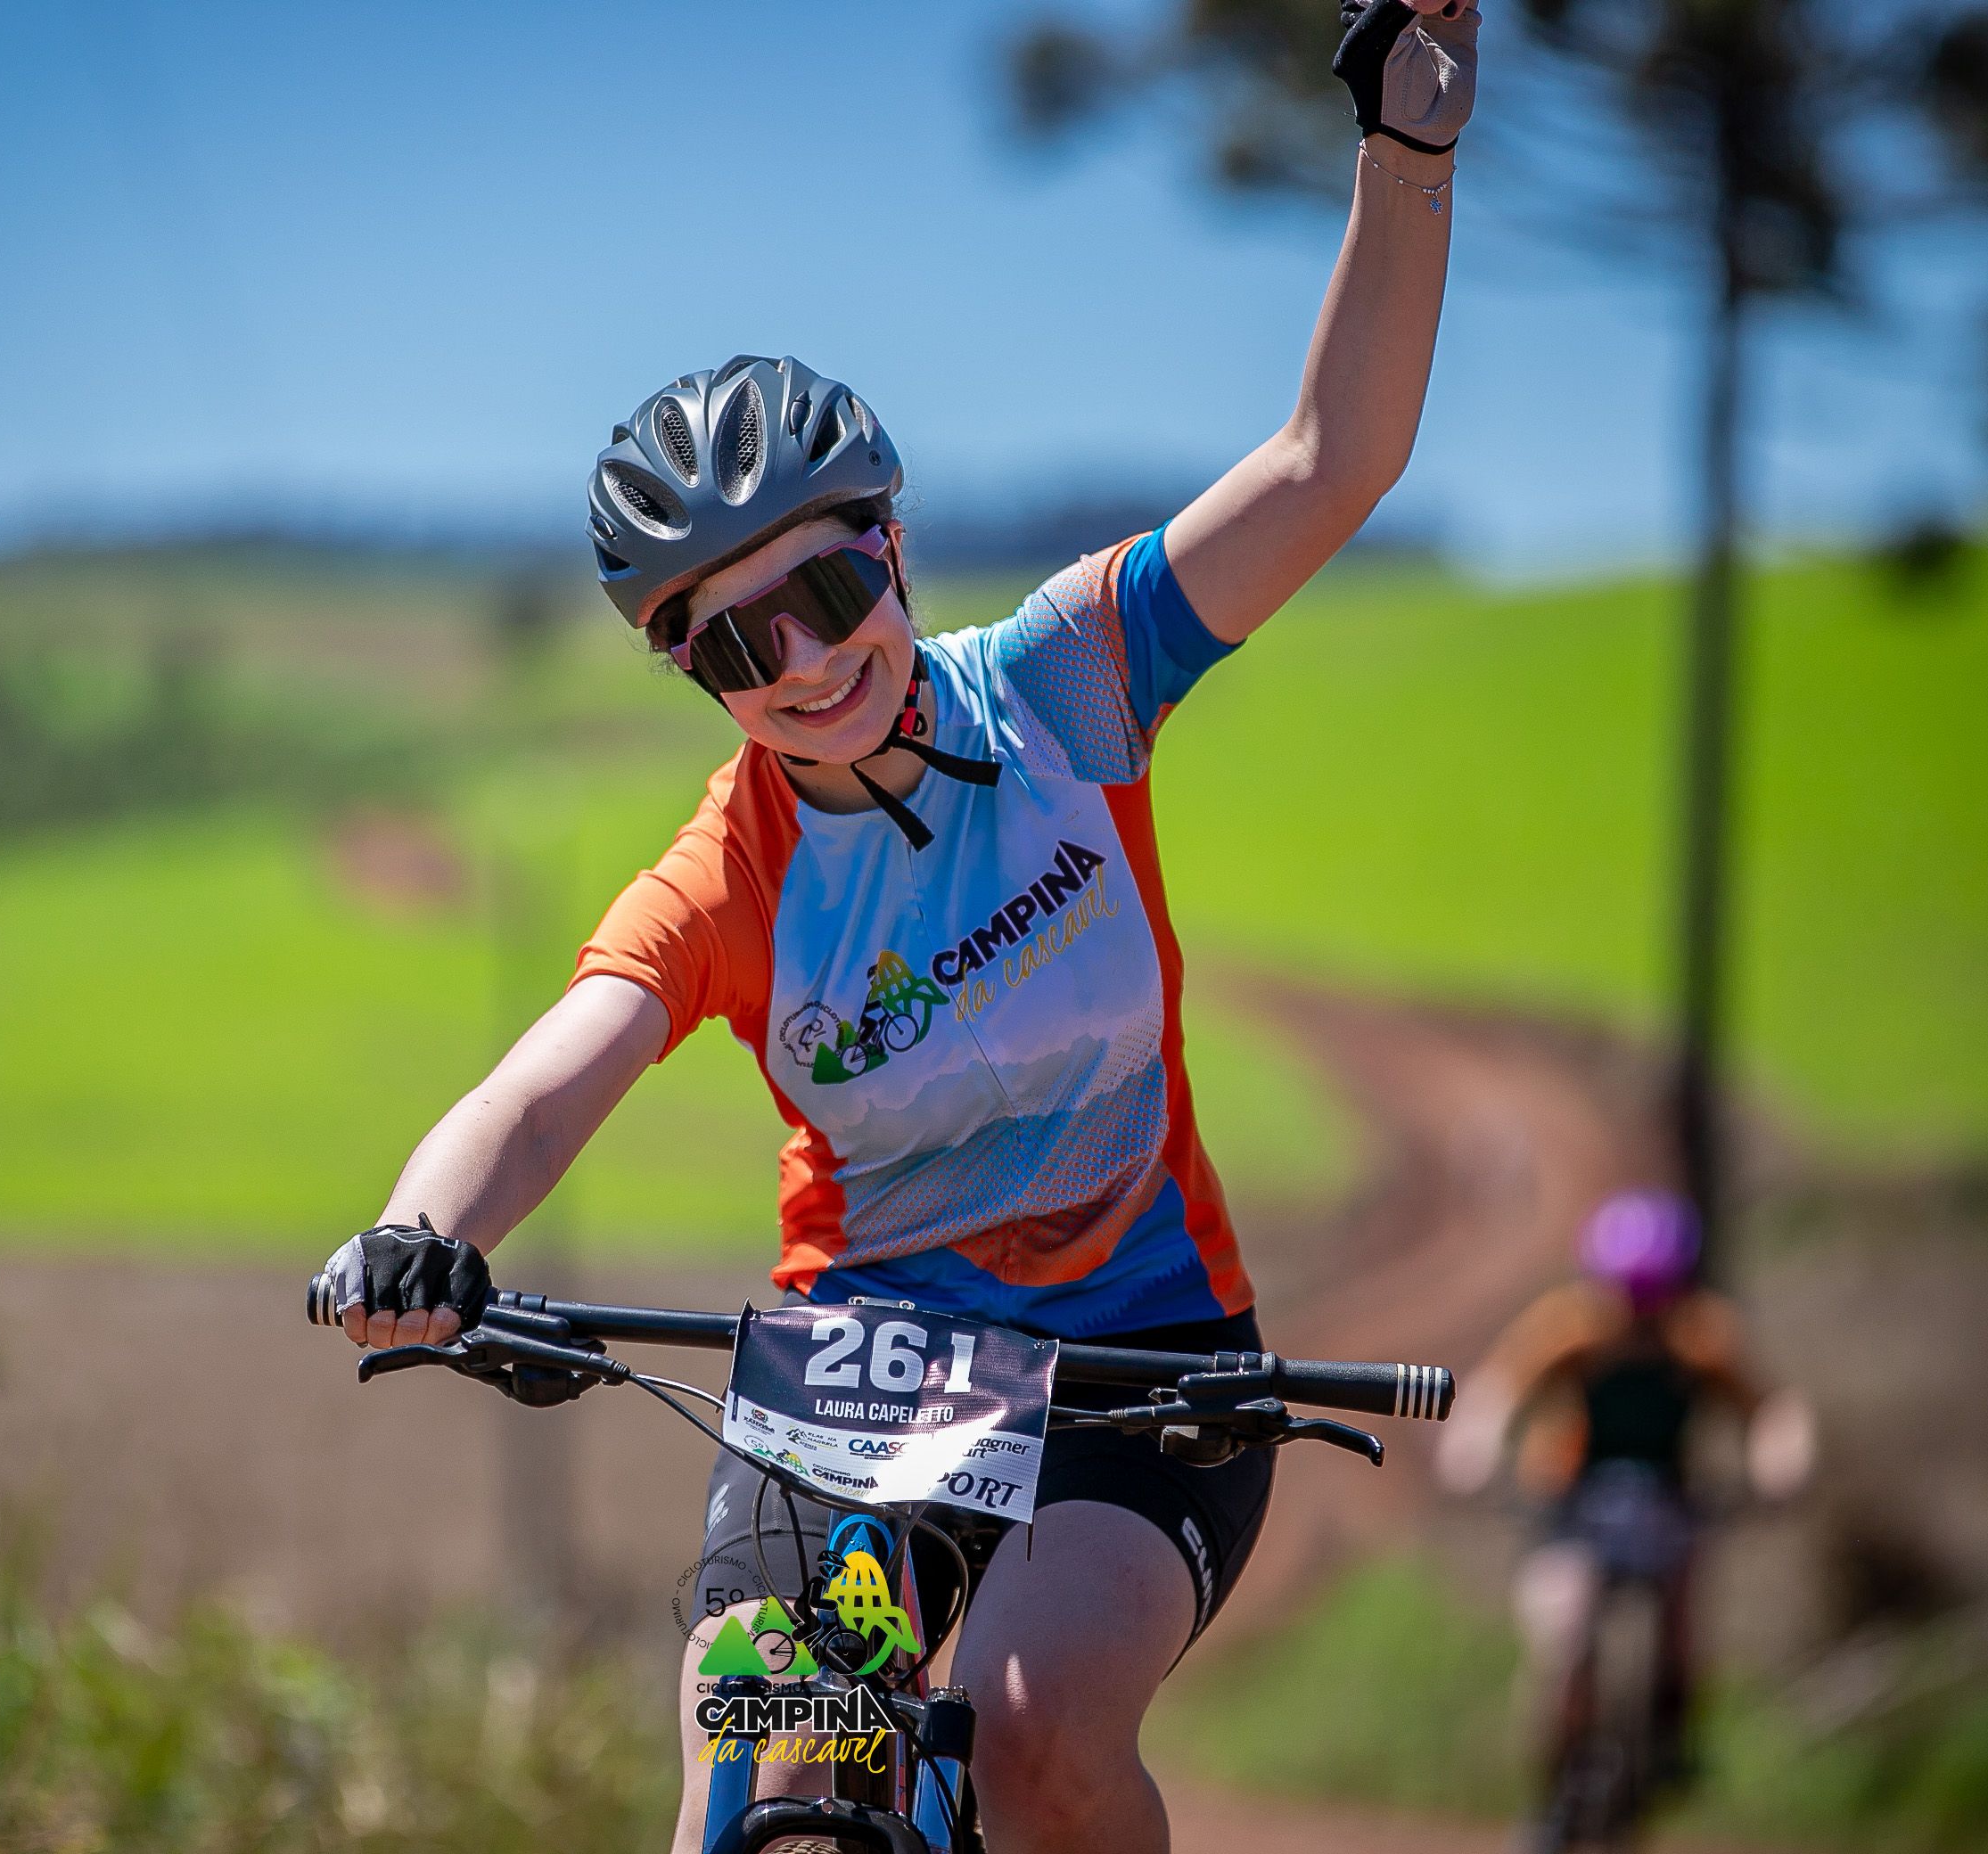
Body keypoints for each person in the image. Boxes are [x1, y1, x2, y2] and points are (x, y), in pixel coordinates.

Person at [317, 5, 1480, 1849]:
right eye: (733, 640)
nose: (804, 660)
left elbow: (1333, 458)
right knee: (759, 1753)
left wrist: (1407, 147)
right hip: (862, 1384)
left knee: (1029, 1730)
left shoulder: (1071, 682)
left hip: (1140, 1368)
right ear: (691, 673)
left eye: (831, 583)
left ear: (897, 541)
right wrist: (420, 1229)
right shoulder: (727, 874)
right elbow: (540, 1090)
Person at [1436, 1191, 1816, 1792]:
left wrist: (1781, 1459)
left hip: (1665, 1502)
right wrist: (1474, 1448)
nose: (1638, 1318)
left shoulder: (1700, 1337)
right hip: (1572, 1503)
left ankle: (1671, 1736)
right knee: (1565, 1629)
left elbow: (1770, 1409)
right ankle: (1556, 1773)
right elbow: (1499, 1390)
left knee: (1681, 1626)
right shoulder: (1569, 1329)